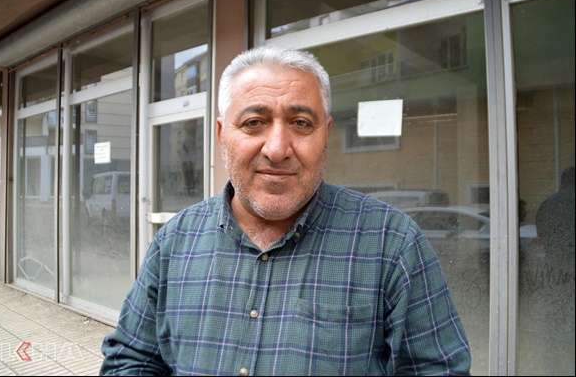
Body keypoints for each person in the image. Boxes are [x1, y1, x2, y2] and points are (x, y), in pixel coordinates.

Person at [100, 45, 471, 376]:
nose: (277, 149)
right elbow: (131, 358)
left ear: (326, 134)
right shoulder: (174, 242)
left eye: (301, 123)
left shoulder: (391, 243)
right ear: (221, 134)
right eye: (253, 122)